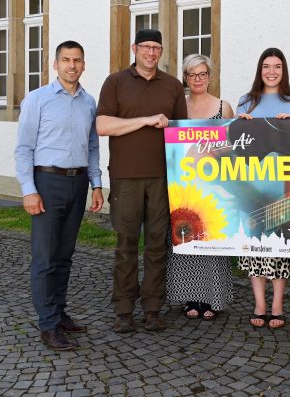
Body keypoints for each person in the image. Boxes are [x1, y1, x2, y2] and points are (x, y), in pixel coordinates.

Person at [15, 40, 104, 351]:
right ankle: (48, 325)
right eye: (66, 60)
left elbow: (92, 147)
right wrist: (29, 190)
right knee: (45, 258)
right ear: (55, 64)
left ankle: (59, 312)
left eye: (77, 60)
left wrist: (96, 184)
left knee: (65, 256)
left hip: (78, 183)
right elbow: (24, 148)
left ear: (83, 64)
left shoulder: (88, 102)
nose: (72, 65)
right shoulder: (37, 100)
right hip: (47, 182)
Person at [96, 29, 187, 333]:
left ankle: (152, 308)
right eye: (146, 47)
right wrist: (146, 120)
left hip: (162, 178)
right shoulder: (116, 82)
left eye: (157, 48)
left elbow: (181, 135)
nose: (151, 53)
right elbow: (103, 125)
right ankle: (123, 309)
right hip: (126, 177)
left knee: (158, 246)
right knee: (126, 245)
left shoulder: (173, 86)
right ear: (134, 48)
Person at [236, 47, 290, 329]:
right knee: (254, 241)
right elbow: (236, 143)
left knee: (279, 244)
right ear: (259, 69)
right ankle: (259, 303)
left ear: (284, 70)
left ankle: (277, 303)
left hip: (281, 184)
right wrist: (241, 126)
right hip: (251, 181)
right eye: (266, 66)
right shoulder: (245, 102)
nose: (272, 71)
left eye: (277, 66)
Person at [167, 54, 235, 320]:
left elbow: (233, 145)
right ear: (185, 77)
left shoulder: (223, 107)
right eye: (192, 75)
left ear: (210, 76)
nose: (198, 79)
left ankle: (212, 299)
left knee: (212, 241)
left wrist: (210, 152)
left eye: (203, 74)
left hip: (213, 184)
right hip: (183, 185)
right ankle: (189, 298)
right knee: (185, 240)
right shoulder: (178, 108)